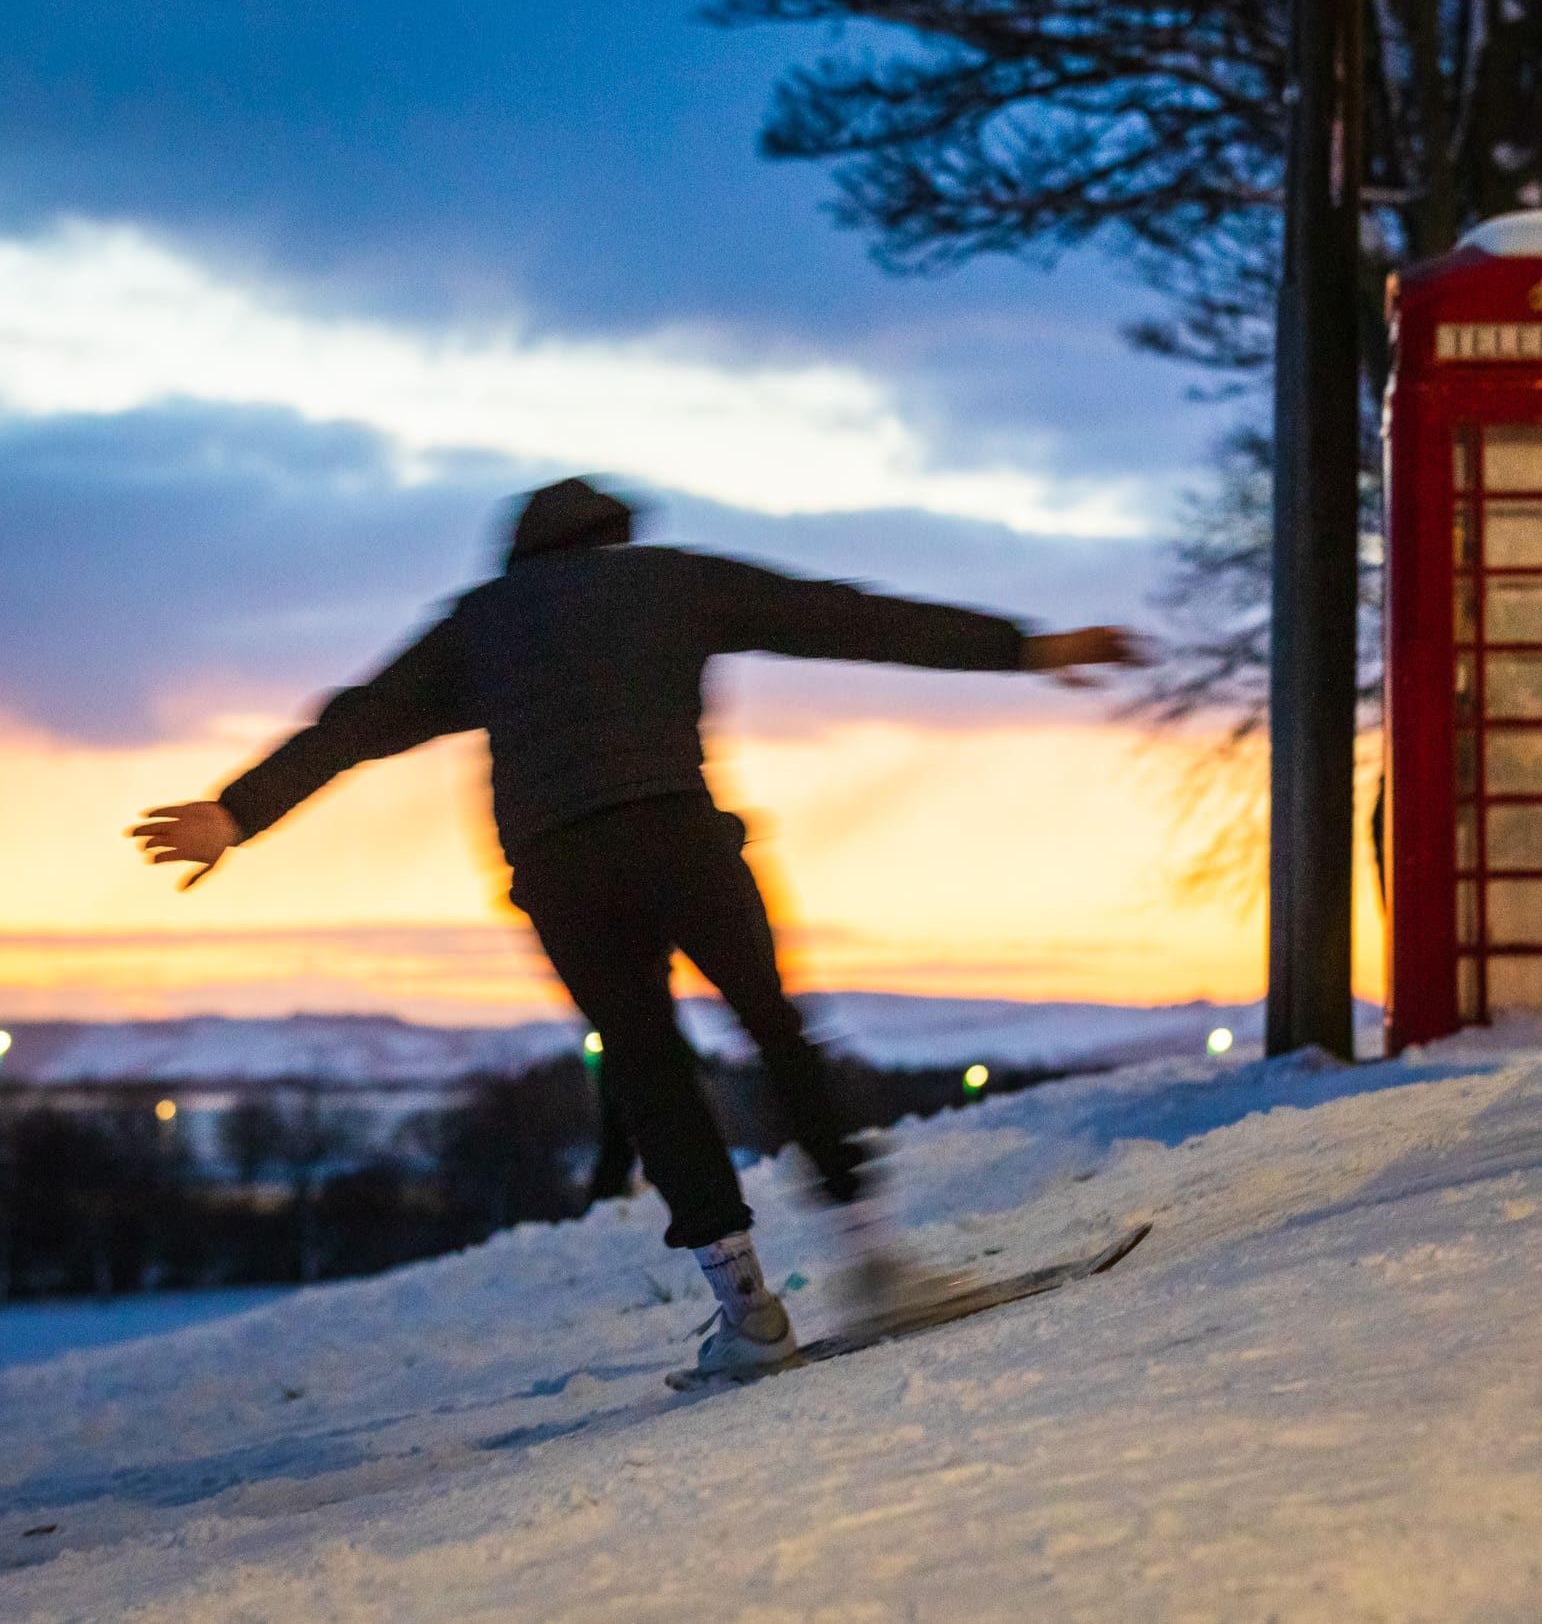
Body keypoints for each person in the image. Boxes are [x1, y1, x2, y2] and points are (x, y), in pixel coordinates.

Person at [130, 476, 1150, 1380]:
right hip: (680, 837)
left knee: (648, 1064)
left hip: (563, 866)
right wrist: (1026, 647)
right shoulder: (666, 579)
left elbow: (355, 721)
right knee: (772, 1026)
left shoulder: (482, 623)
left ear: (522, 555)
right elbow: (842, 617)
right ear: (610, 535)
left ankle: (746, 1310)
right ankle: (876, 1258)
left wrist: (238, 810)